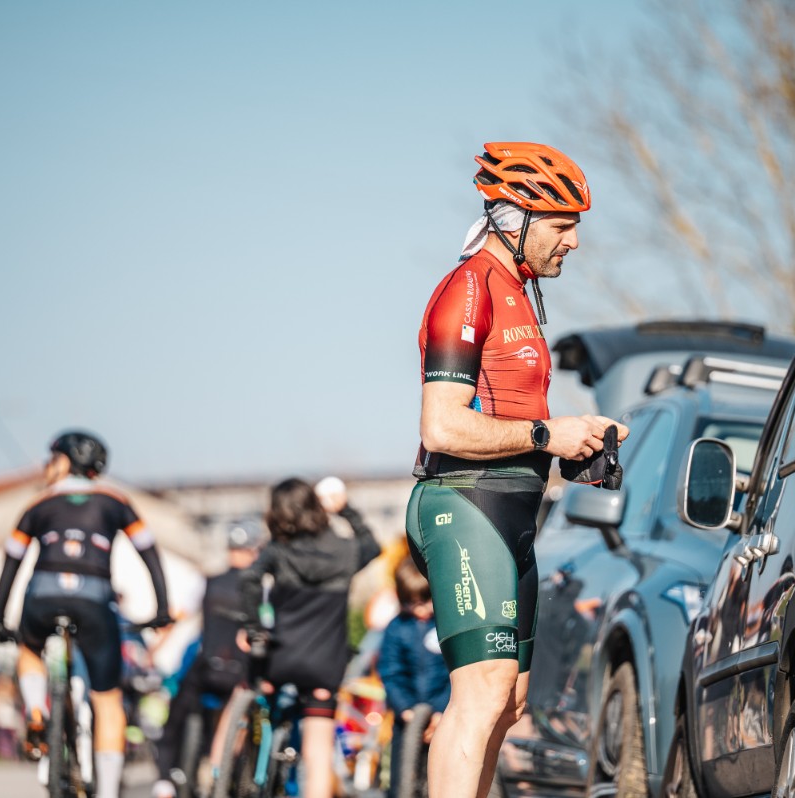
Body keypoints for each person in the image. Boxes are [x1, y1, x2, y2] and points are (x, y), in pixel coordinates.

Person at [405, 142, 629, 798]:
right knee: (482, 690)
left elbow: (512, 416)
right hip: (464, 503)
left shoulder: (518, 292)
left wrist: (574, 440)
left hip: (514, 515)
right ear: (515, 218)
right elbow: (442, 426)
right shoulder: (469, 288)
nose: (574, 241)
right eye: (562, 225)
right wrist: (547, 433)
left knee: (508, 702)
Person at [0, 430, 174, 798]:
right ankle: (107, 792)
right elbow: (149, 552)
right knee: (108, 701)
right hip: (94, 599)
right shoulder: (116, 501)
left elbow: (11, 563)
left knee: (29, 650)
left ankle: (36, 711)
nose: (47, 467)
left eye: (52, 459)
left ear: (66, 462)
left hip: (42, 596)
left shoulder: (38, 504)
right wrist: (162, 609)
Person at [240, 477, 381, 798]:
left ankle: (251, 765)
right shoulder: (345, 551)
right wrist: (345, 509)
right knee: (318, 755)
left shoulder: (278, 550)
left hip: (280, 658)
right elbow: (372, 545)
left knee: (259, 695)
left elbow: (249, 579)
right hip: (324, 666)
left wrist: (253, 627)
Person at [151, 522, 265, 798]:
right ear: (254, 552)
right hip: (241, 670)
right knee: (242, 720)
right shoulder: (261, 589)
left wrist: (153, 650)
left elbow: (179, 616)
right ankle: (223, 773)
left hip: (207, 666)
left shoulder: (208, 581)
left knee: (176, 715)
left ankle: (166, 778)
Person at [378, 555, 450, 798]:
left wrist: (441, 712)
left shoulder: (445, 626)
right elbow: (391, 673)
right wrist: (406, 710)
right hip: (407, 719)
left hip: (444, 717)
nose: (420, 610)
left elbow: (454, 674)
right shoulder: (397, 628)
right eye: (411, 603)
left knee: (440, 778)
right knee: (402, 779)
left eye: (426, 601)